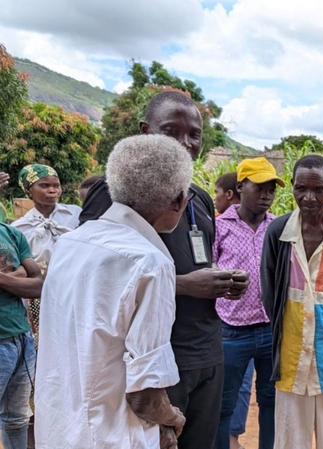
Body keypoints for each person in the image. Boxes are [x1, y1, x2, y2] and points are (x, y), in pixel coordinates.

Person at [80, 90, 248, 449]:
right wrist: (186, 285)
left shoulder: (199, 198)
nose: (184, 143)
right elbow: (100, 277)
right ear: (145, 130)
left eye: (194, 135)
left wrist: (221, 280)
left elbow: (197, 259)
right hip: (152, 361)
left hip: (206, 350)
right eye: (171, 131)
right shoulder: (116, 193)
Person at [34, 135, 191, 448]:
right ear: (177, 200)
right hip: (110, 436)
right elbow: (145, 397)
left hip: (57, 429)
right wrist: (173, 418)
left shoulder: (69, 243)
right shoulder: (150, 263)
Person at [260, 154, 323, 448]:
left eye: (319, 190)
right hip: (291, 358)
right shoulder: (278, 233)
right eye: (301, 189)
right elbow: (271, 296)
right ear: (291, 186)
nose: (309, 198)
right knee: (291, 438)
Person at [213, 158, 284, 449]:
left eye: (271, 190)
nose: (266, 195)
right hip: (232, 330)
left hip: (270, 328)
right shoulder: (219, 226)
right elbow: (209, 267)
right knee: (224, 403)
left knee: (270, 401)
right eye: (259, 188)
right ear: (241, 187)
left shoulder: (278, 227)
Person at [212, 171, 252, 449]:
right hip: (226, 321)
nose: (215, 197)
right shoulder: (216, 226)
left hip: (259, 323)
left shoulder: (271, 225)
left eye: (217, 192)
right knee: (227, 385)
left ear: (229, 194)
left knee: (243, 384)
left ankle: (233, 437)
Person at [0, 204, 43, 449]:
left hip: (21, 339)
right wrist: (16, 275)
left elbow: (37, 284)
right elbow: (28, 276)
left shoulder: (11, 233)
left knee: (17, 418)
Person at [12, 164, 82, 267]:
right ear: (28, 189)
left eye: (56, 185)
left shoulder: (75, 214)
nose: (52, 190)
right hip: (41, 282)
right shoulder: (19, 228)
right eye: (44, 185)